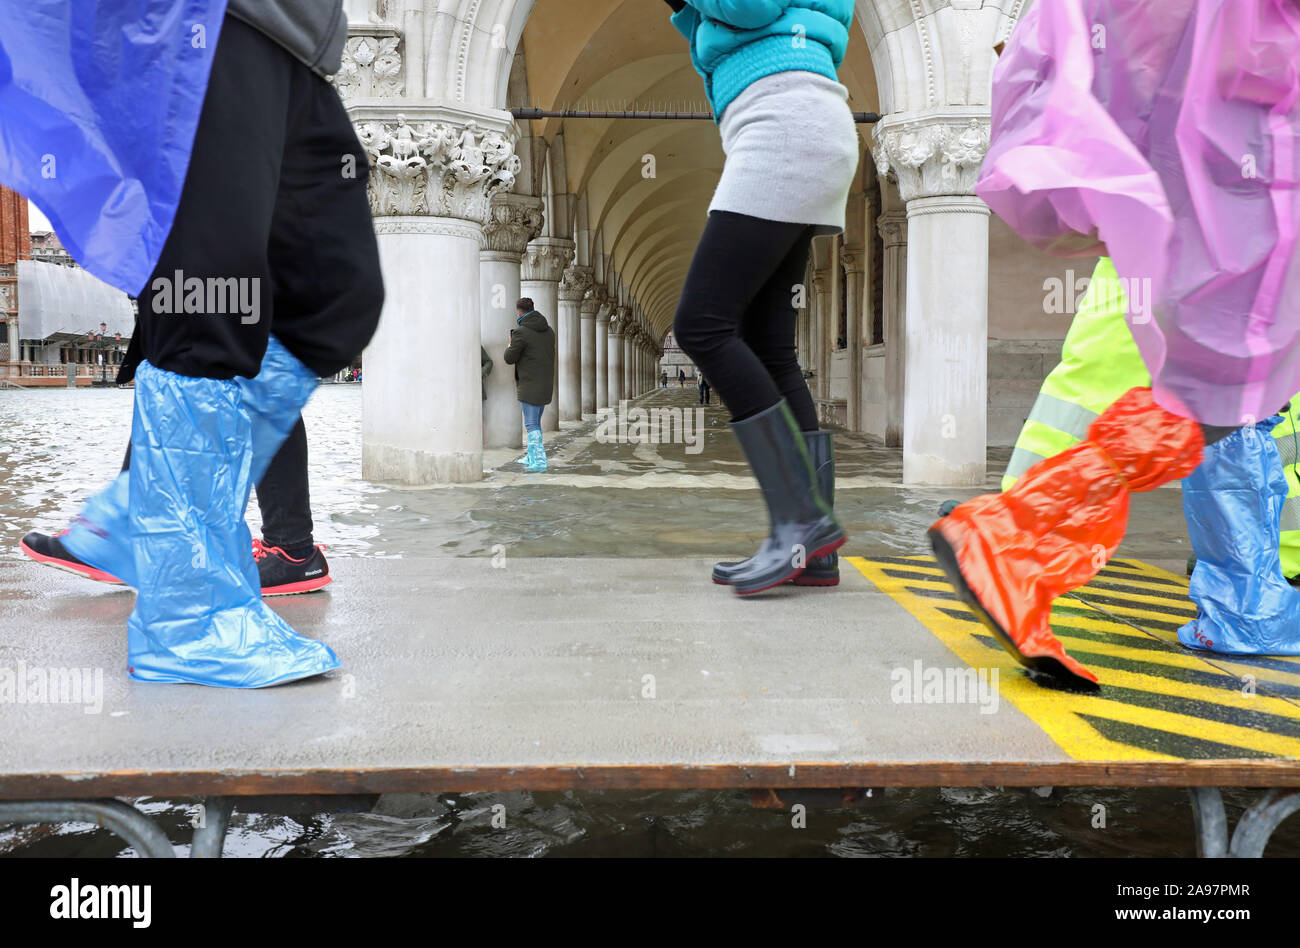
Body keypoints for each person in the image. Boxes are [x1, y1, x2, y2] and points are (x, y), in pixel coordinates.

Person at [2, 3, 383, 687]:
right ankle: (189, 621)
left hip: (294, 43)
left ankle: (136, 514)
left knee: (338, 293)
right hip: (195, 24)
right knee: (211, 296)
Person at [928, 0, 1300, 688]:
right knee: (1233, 367)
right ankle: (1016, 535)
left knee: (1237, 371)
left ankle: (1020, 535)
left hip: (1225, 130)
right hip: (1252, 135)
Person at [664, 0, 855, 594]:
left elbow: (749, 7)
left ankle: (802, 517)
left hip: (783, 125)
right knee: (770, 346)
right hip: (799, 122)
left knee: (702, 325)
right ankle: (812, 547)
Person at [503, 297, 556, 473]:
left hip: (529, 385)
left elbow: (509, 358)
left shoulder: (521, 332)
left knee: (531, 424)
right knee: (536, 421)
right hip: (545, 384)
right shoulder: (549, 331)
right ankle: (531, 455)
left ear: (519, 312)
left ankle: (539, 460)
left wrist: (510, 343)